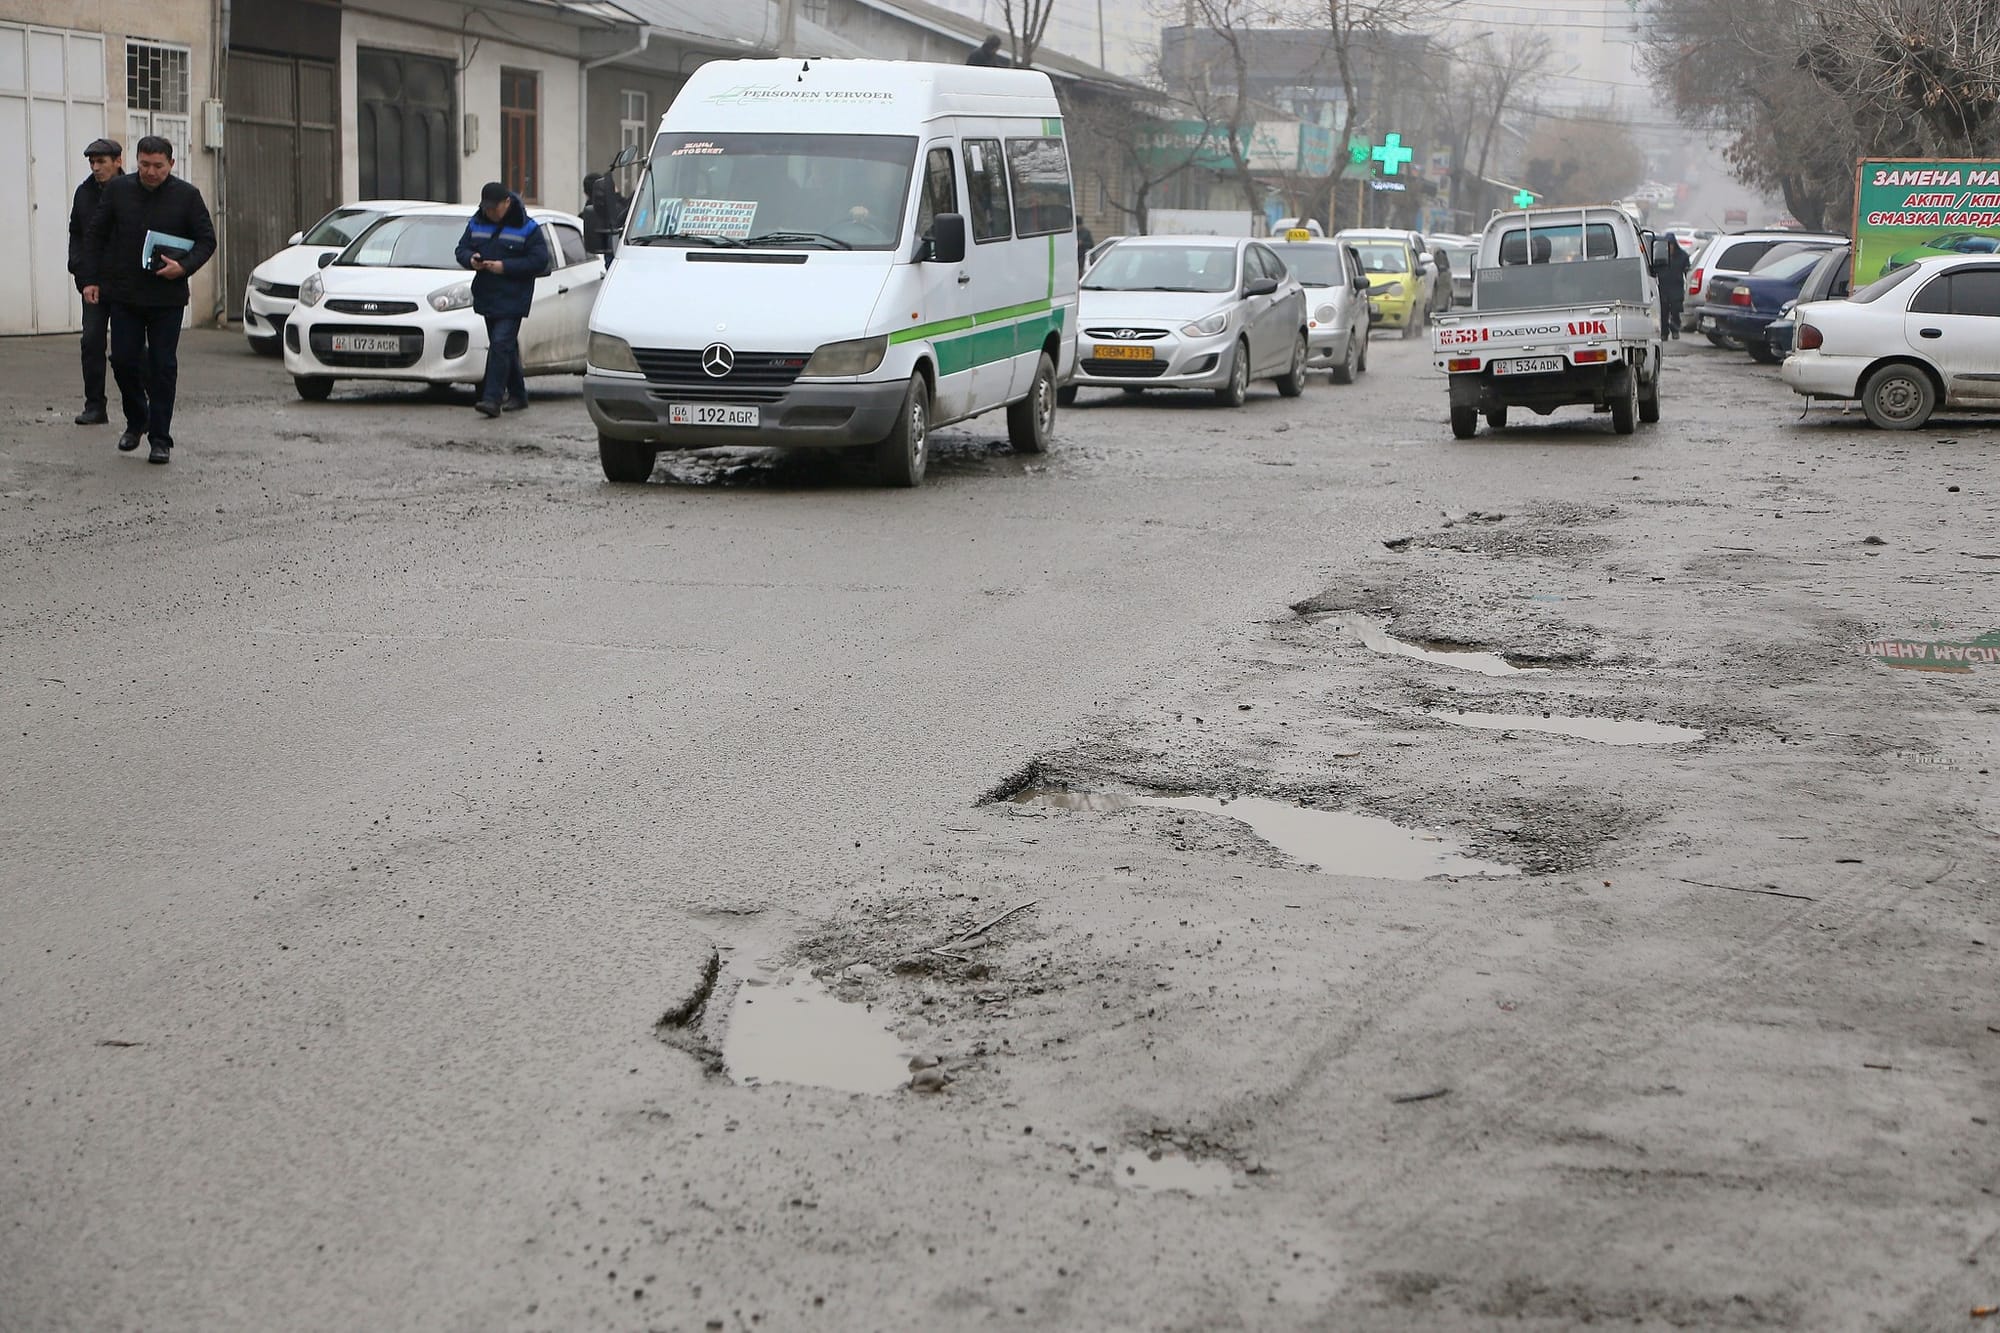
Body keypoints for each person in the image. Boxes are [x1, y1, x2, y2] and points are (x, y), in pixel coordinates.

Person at [79, 135, 214, 465]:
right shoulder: (118, 191)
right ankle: (137, 418)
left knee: (162, 366)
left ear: (171, 164)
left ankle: (160, 438)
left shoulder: (187, 196)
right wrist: (90, 279)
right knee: (123, 361)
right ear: (135, 161)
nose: (151, 172)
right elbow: (95, 235)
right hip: (125, 294)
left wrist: (184, 266)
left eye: (158, 166)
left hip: (167, 298)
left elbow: (206, 240)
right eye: (144, 165)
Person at [454, 181, 550, 418]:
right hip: (487, 295)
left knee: (499, 344)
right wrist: (472, 259)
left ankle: (492, 399)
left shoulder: (528, 228)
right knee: (505, 347)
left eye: (494, 208)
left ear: (507, 203)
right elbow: (461, 249)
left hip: (514, 297)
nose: (490, 212)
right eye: (486, 208)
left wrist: (504, 267)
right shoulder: (477, 222)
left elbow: (539, 261)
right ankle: (518, 394)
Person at [68, 138, 124, 425]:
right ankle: (94, 406)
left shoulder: (132, 190)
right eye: (92, 162)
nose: (96, 167)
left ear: (118, 161)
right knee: (91, 342)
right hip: (94, 284)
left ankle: (140, 404)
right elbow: (77, 235)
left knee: (129, 349)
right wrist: (82, 275)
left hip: (126, 284)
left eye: (101, 162)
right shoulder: (84, 193)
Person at [1660, 233, 1691, 339]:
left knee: (1676, 310)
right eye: (1667, 245)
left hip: (1676, 287)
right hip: (1663, 287)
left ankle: (1675, 329)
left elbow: (1687, 270)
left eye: (1671, 244)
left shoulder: (1682, 256)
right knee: (1663, 311)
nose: (1670, 247)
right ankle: (1664, 332)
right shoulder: (1660, 255)